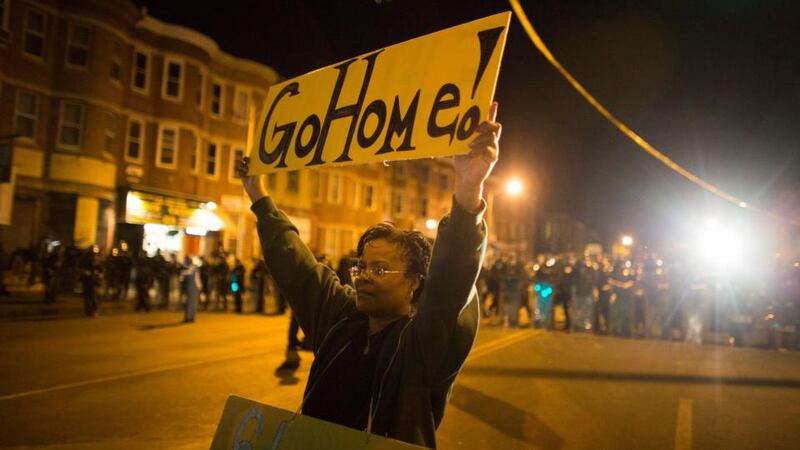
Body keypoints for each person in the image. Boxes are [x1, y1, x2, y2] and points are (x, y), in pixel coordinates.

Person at [236, 103, 500, 448]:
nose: (362, 277)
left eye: (379, 269)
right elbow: (296, 267)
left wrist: (468, 192)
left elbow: (450, 284)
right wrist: (258, 195)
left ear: (414, 282)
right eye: (361, 266)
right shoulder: (340, 320)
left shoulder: (421, 344)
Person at [181, 256, 200, 322]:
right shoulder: (192, 268)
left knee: (190, 303)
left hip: (192, 287)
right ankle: (191, 317)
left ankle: (189, 317)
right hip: (192, 287)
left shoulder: (192, 268)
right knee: (192, 302)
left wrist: (199, 286)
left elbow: (196, 278)